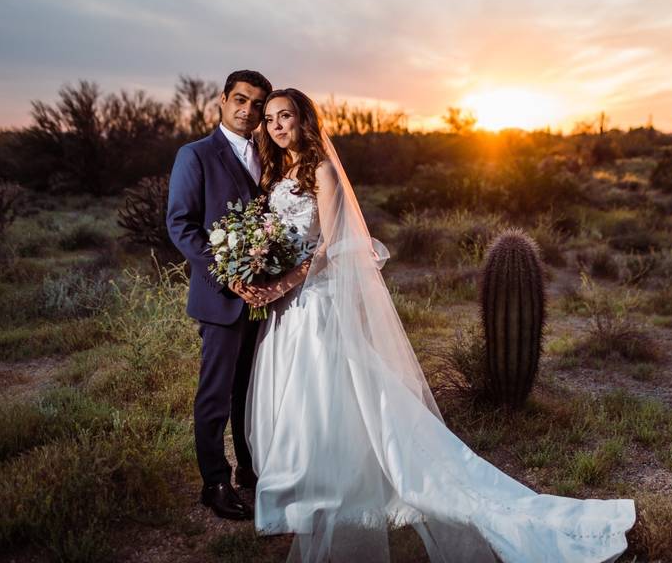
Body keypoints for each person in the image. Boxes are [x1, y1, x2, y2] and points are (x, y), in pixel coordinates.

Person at [243, 88, 636, 562]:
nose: (277, 125)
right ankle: (299, 482)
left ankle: (340, 482)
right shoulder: (276, 172)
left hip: (313, 295)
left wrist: (284, 281)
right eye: (269, 119)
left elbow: (328, 245)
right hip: (288, 301)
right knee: (301, 389)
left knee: (332, 389)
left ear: (305, 120)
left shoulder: (323, 171)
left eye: (285, 116)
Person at [166, 69, 272, 521]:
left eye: (257, 105)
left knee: (251, 390)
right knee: (216, 393)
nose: (248, 110)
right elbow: (181, 225)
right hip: (221, 298)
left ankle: (250, 470)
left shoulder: (273, 156)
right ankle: (214, 482)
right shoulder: (196, 155)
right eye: (240, 100)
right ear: (222, 100)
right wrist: (225, 274)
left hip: (267, 298)